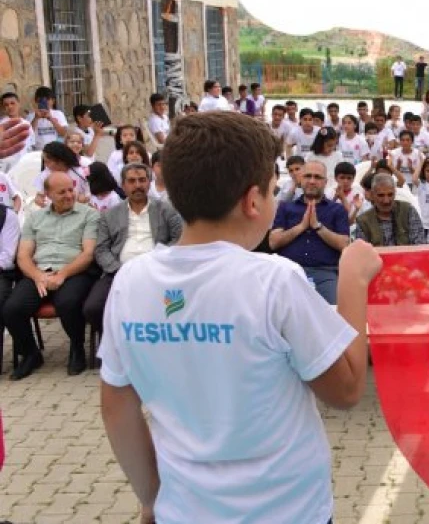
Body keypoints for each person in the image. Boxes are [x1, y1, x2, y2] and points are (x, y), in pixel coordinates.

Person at [98, 112, 379, 524]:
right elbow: (348, 389)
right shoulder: (274, 281)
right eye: (271, 192)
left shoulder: (131, 283)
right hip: (288, 512)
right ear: (252, 201)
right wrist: (354, 281)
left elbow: (116, 410)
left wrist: (151, 498)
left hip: (185, 511)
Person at [4, 172, 100, 379]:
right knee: (12, 309)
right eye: (61, 192)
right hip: (40, 272)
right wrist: (38, 276)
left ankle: (77, 348)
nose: (69, 195)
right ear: (47, 194)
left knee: (68, 302)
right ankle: (31, 354)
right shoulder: (35, 218)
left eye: (70, 189)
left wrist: (62, 274)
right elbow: (23, 256)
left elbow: (88, 253)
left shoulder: (89, 215)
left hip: (74, 271)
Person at [84, 162, 183, 348]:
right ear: (123, 185)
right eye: (131, 181)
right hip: (119, 272)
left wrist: (158, 262)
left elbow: (179, 240)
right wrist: (118, 270)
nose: (137, 185)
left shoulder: (166, 210)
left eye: (142, 180)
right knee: (93, 308)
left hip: (157, 271)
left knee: (170, 306)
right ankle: (116, 345)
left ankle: (159, 345)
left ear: (149, 182)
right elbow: (101, 249)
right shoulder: (110, 215)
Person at [268, 160, 351, 304]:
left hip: (325, 274)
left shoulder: (337, 210)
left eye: (317, 177)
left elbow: (344, 244)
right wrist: (301, 227)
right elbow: (273, 242)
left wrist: (318, 226)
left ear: (325, 182)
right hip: (289, 273)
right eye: (308, 176)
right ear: (300, 179)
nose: (312, 181)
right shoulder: (286, 208)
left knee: (334, 315)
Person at [354, 173, 425, 247]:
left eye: (390, 195)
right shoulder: (363, 221)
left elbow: (419, 245)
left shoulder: (408, 211)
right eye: (381, 195)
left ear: (395, 193)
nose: (386, 201)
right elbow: (363, 252)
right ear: (372, 195)